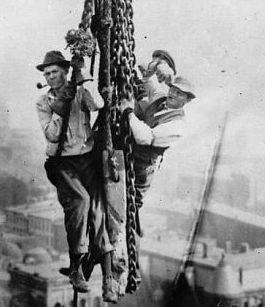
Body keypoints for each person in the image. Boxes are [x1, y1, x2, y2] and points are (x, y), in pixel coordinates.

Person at [36, 49, 119, 301]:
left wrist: (82, 76)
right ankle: (76, 267)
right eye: (47, 74)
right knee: (80, 202)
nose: (50, 77)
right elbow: (51, 134)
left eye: (55, 72)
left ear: (65, 71)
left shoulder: (80, 91)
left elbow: (98, 105)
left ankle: (108, 277)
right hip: (63, 163)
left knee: (97, 210)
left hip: (87, 159)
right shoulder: (44, 101)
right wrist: (61, 106)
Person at [120, 75, 195, 208]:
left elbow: (145, 138)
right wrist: (150, 70)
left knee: (130, 203)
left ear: (187, 100)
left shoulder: (178, 125)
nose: (173, 94)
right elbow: (148, 80)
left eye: (179, 93)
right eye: (173, 89)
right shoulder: (160, 98)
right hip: (125, 151)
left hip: (141, 167)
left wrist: (128, 112)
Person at [136, 49, 176, 117]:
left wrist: (162, 65)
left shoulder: (166, 74)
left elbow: (159, 66)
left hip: (159, 105)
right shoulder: (149, 79)